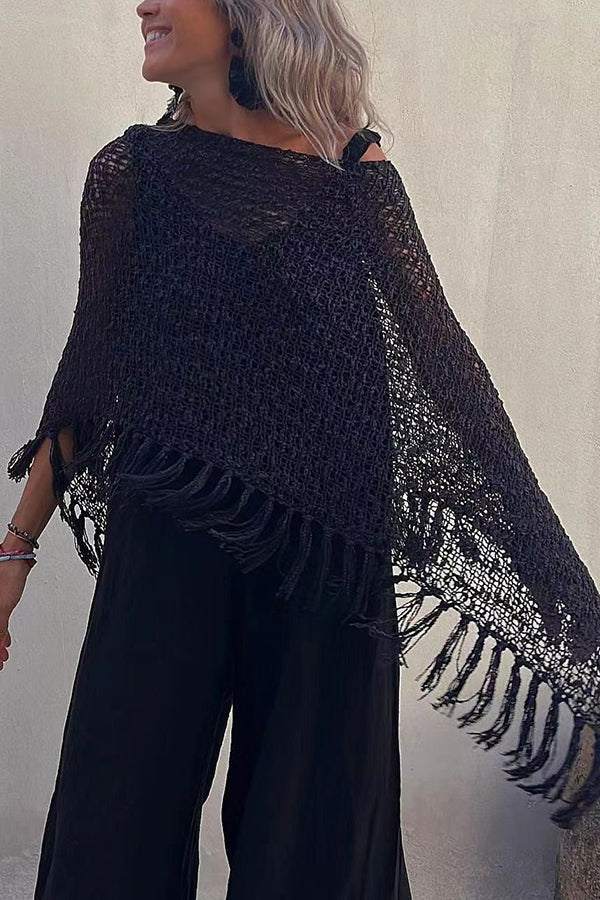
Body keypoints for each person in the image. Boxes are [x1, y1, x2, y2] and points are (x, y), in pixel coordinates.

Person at [1, 1, 413, 898]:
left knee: (318, 843)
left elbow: (434, 369)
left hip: (324, 556)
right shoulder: (134, 175)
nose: (144, 3)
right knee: (111, 821)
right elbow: (89, 380)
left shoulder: (354, 175)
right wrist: (14, 549)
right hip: (168, 530)